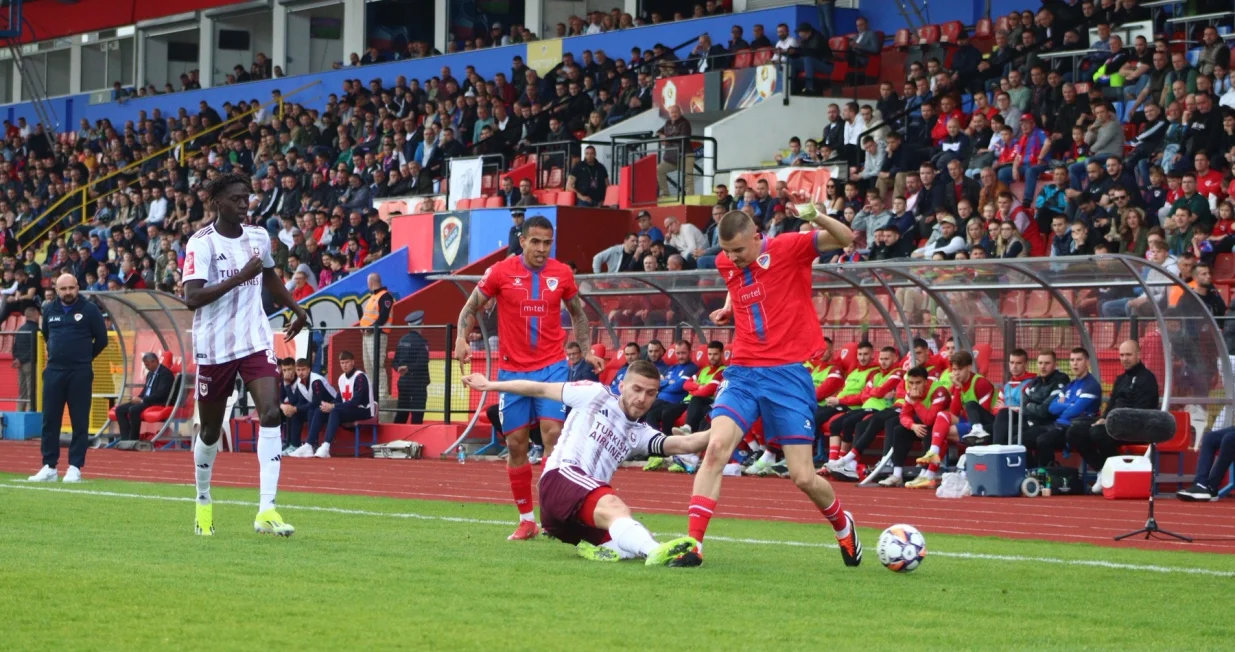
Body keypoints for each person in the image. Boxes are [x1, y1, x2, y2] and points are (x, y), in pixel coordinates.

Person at [684, 210, 862, 567]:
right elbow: (738, 284)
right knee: (716, 448)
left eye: (738, 250)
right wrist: (727, 308)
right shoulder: (726, 261)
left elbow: (846, 239)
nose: (731, 258)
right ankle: (692, 545)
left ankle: (843, 525)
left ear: (757, 237)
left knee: (803, 477)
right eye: (726, 251)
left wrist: (816, 215)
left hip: (788, 375)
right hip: (744, 371)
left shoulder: (789, 248)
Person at [460, 362, 707, 565]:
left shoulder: (640, 433)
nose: (642, 398)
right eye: (637, 389)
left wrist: (724, 428)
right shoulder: (594, 393)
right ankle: (656, 553)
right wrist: (491, 385)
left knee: (629, 542)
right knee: (615, 507)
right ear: (622, 386)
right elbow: (539, 389)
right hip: (561, 479)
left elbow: (686, 444)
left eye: (650, 393)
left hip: (570, 522)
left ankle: (594, 547)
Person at [453, 215, 603, 541]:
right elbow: (470, 307)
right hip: (512, 370)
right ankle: (526, 520)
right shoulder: (500, 272)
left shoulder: (561, 273)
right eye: (535, 242)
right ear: (521, 240)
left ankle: (553, 515)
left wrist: (587, 351)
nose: (541, 249)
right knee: (515, 444)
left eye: (547, 243)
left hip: (552, 366)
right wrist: (461, 339)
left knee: (553, 435)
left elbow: (578, 313)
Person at [181, 172, 310, 537]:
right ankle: (203, 500)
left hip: (254, 339)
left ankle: (267, 509)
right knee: (209, 431)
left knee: (271, 413)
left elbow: (269, 277)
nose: (244, 204)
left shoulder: (257, 238)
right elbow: (192, 298)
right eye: (237, 198)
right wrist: (239, 276)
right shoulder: (201, 243)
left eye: (247, 198)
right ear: (217, 202)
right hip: (215, 346)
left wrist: (295, 308)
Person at [27, 275, 108, 484]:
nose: (68, 292)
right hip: (54, 371)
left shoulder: (90, 310)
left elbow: (102, 339)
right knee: (50, 420)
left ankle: (75, 467)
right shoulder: (49, 309)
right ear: (56, 289)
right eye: (63, 289)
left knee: (79, 421)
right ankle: (49, 466)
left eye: (72, 287)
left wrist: (84, 357)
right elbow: (46, 335)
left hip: (79, 372)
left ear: (78, 287)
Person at [1068, 340, 1159, 493]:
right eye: (1122, 355)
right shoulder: (1121, 379)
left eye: (1128, 354)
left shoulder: (1147, 379)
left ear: (1139, 355)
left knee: (1098, 432)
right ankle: (1103, 470)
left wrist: (1110, 421)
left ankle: (1118, 472)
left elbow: (1141, 410)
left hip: (1136, 427)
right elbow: (1110, 405)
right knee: (1074, 431)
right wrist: (1103, 418)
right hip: (1113, 423)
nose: (1124, 358)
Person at [304, 351, 376, 457]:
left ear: (352, 362)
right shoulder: (341, 378)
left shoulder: (360, 377)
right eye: (342, 363)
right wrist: (328, 406)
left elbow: (355, 402)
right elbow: (338, 399)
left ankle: (326, 446)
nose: (344, 365)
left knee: (335, 411)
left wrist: (333, 406)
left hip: (364, 410)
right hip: (348, 409)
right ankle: (309, 445)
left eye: (347, 362)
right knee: (320, 410)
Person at [114, 352, 175, 441]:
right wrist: (137, 398)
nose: (146, 367)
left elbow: (161, 394)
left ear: (154, 361)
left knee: (134, 410)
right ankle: (125, 438)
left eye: (147, 365)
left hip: (156, 401)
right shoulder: (150, 374)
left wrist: (142, 400)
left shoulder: (165, 373)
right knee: (120, 410)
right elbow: (146, 390)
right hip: (146, 400)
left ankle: (133, 439)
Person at [287, 358, 339, 457]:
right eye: (298, 370)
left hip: (332, 409)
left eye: (303, 369)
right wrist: (290, 408)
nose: (301, 373)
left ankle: (311, 445)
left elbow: (316, 402)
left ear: (309, 369)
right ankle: (294, 445)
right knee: (295, 413)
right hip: (319, 408)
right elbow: (297, 401)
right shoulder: (299, 382)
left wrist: (296, 408)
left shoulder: (316, 381)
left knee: (312, 411)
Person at [393, 311, 431, 425]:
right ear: (422, 324)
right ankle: (415, 439)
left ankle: (396, 437)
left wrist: (400, 368)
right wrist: (408, 368)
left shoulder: (402, 340)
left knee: (401, 411)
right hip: (418, 382)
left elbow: (395, 361)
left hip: (403, 381)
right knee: (417, 413)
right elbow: (423, 361)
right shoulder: (421, 342)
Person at [359, 272, 394, 392]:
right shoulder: (374, 297)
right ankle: (372, 392)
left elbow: (383, 316)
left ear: (371, 283)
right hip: (368, 334)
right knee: (368, 365)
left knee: (377, 365)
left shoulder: (385, 296)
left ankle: (382, 393)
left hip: (378, 335)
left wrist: (371, 327)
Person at [12, 305, 38, 411]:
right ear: (35, 315)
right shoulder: (37, 330)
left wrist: (17, 359)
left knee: (22, 391)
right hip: (30, 364)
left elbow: (15, 347)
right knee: (31, 391)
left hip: (20, 364)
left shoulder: (20, 329)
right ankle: (30, 412)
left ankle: (19, 412)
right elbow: (34, 349)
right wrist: (22, 360)